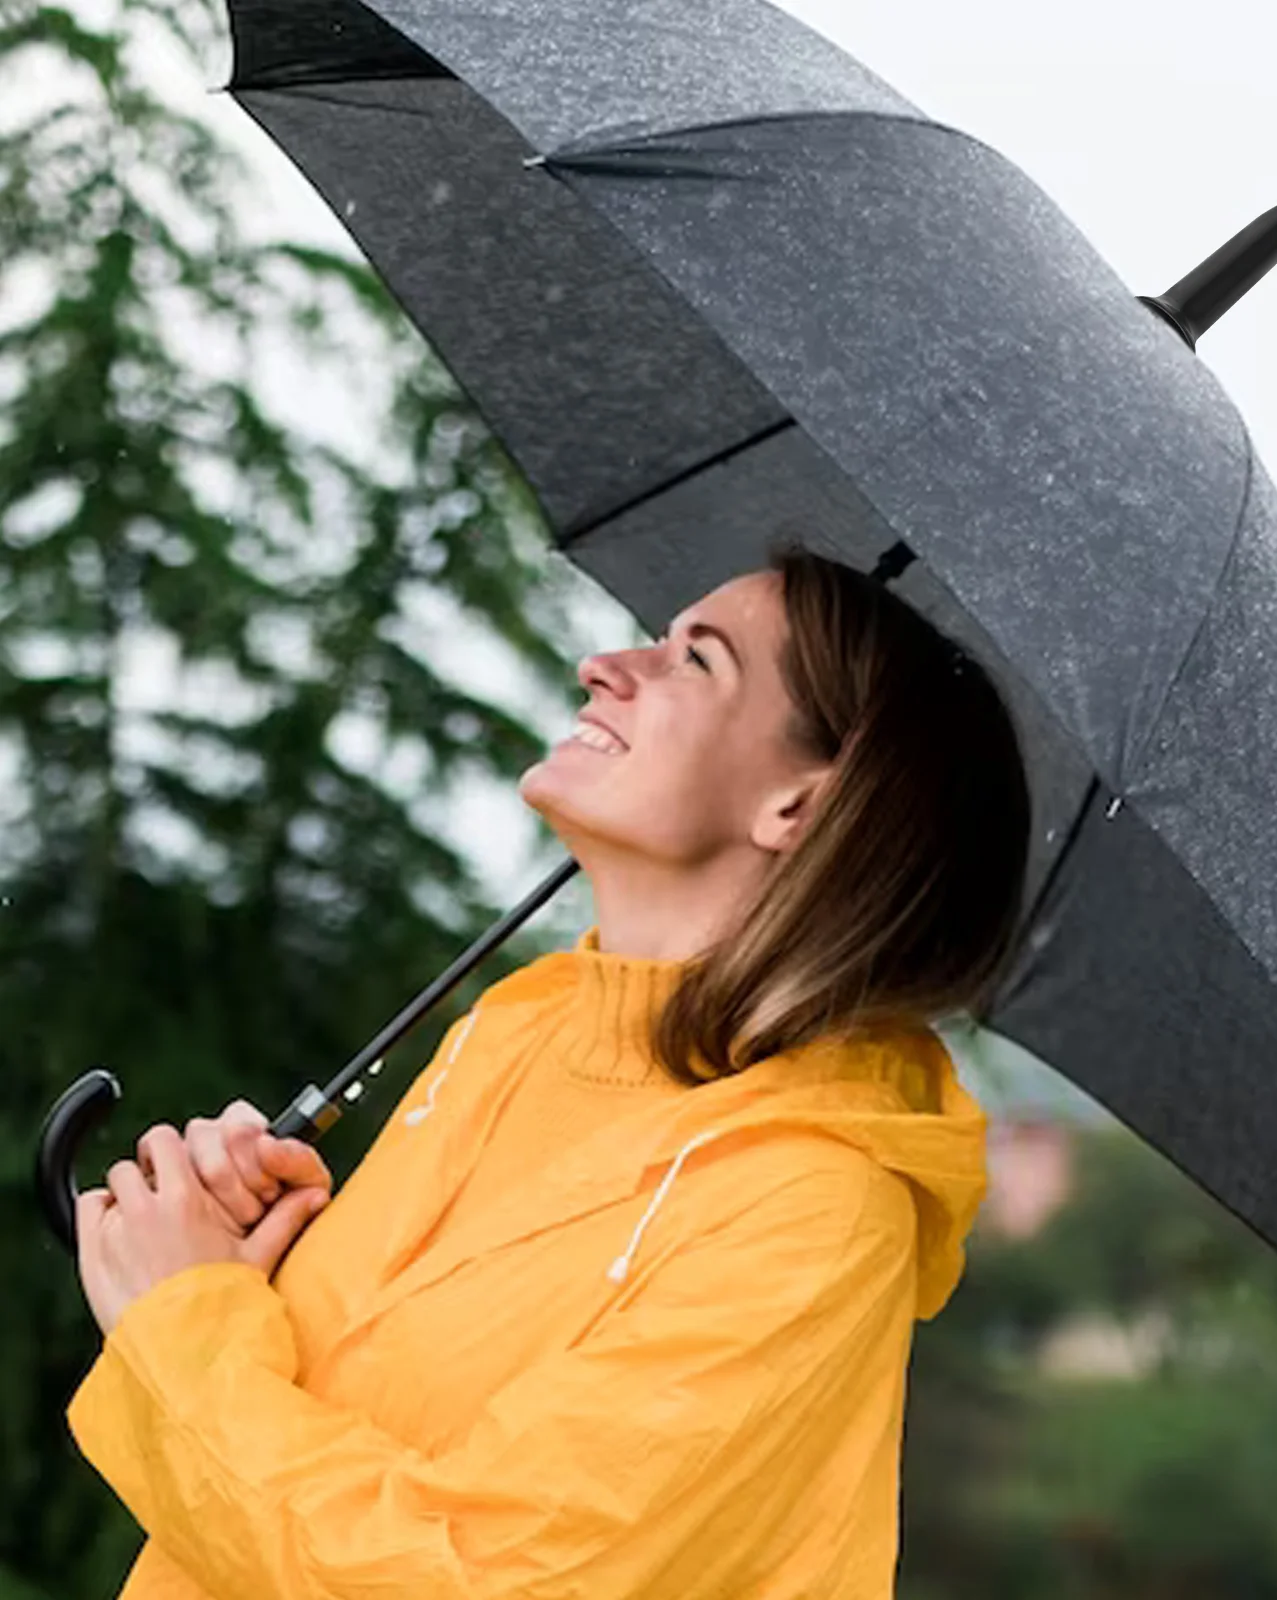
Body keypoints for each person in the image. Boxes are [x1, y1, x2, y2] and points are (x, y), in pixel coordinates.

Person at [65, 539, 1032, 1599]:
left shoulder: (813, 1210)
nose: (607, 666)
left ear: (797, 806)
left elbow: (476, 1581)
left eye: (695, 661)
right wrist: (238, 1264)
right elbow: (334, 1435)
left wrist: (183, 1323)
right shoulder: (519, 1024)